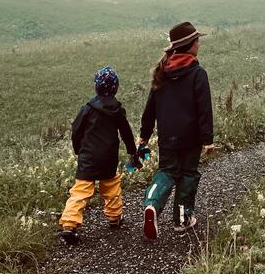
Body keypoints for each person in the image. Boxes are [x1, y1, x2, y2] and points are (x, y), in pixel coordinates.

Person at [140, 22, 215, 240]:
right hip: (191, 138)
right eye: (197, 40)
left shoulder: (161, 72)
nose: (199, 44)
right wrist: (207, 139)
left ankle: (151, 205)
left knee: (167, 171)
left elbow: (149, 108)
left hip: (167, 136)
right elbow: (204, 109)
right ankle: (182, 220)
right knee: (188, 175)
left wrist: (144, 135)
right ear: (190, 45)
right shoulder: (197, 73)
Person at [58, 66, 142, 245]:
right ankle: (114, 218)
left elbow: (76, 130)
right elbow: (126, 133)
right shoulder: (118, 110)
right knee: (111, 188)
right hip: (108, 157)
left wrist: (78, 149)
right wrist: (133, 152)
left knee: (81, 191)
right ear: (115, 88)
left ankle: (69, 224)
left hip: (88, 157)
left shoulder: (87, 108)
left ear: (96, 87)